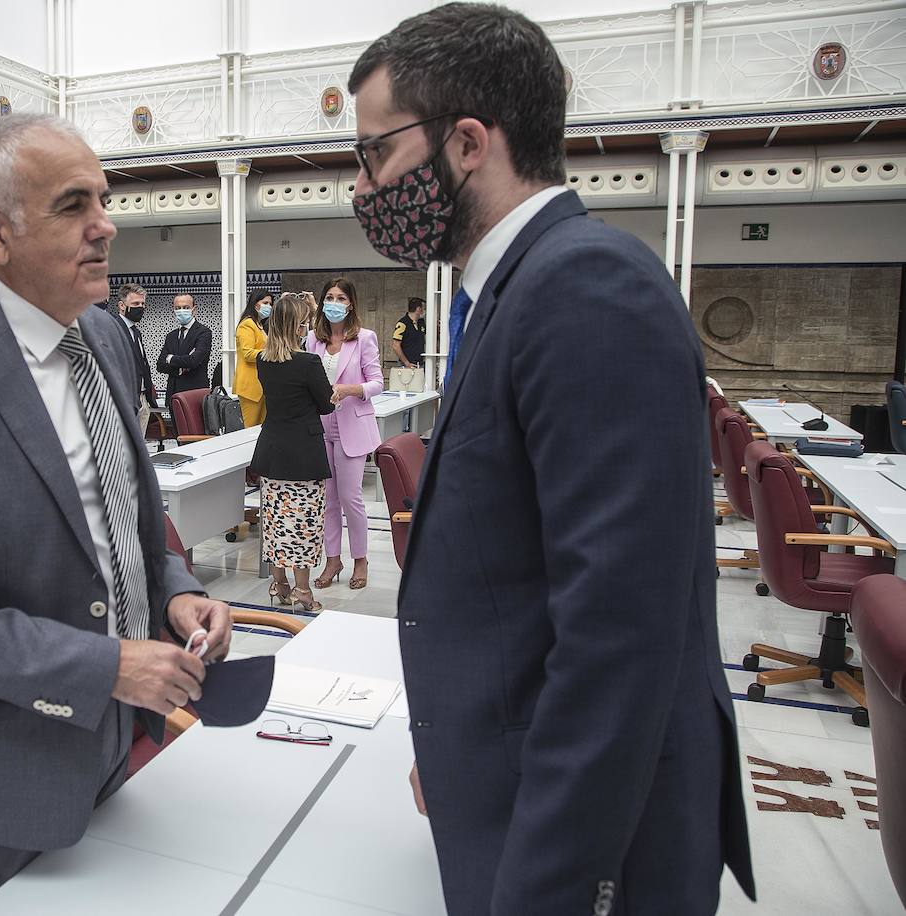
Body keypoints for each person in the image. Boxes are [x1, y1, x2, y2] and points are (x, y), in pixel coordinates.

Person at [348, 5, 754, 914]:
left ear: (465, 143)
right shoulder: (517, 286)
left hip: (592, 849)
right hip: (519, 780)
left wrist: (545, 884)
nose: (364, 182)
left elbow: (617, 639)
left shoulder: (584, 287)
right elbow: (518, 568)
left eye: (375, 152)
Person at [0, 112, 232, 915]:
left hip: (125, 735)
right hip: (6, 761)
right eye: (73, 205)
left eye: (103, 196)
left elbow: (119, 522)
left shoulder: (102, 335)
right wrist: (105, 667)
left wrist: (172, 590)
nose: (108, 223)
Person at [251, 293, 333, 612]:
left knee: (274, 524)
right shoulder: (308, 362)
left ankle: (280, 586)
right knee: (303, 525)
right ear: (299, 327)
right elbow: (325, 405)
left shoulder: (262, 359)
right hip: (304, 454)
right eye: (305, 323)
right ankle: (303, 591)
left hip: (273, 450)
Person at [304, 277, 383, 591]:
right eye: (329, 298)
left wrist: (352, 389)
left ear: (350, 304)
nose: (334, 303)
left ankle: (360, 559)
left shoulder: (364, 338)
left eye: (340, 298)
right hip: (320, 428)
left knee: (351, 499)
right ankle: (332, 559)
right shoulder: (313, 340)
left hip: (352, 425)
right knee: (329, 501)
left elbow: (377, 382)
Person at [155, 294, 211, 412]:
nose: (181, 311)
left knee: (195, 430)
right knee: (176, 430)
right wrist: (181, 368)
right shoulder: (171, 336)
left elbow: (194, 360)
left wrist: (170, 358)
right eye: (177, 308)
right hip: (173, 394)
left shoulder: (204, 333)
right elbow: (160, 365)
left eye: (185, 307)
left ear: (194, 309)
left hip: (195, 394)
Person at [114, 282, 158, 433]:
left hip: (142, 399)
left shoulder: (136, 332)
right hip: (125, 399)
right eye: (135, 303)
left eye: (143, 303)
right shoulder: (113, 329)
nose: (141, 307)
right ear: (122, 305)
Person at [234, 289, 272, 428]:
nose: (269, 306)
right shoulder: (247, 324)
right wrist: (271, 354)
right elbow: (248, 353)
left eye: (270, 303)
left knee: (260, 428)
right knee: (250, 429)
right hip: (250, 388)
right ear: (255, 304)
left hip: (261, 386)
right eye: (265, 303)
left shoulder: (259, 325)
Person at [392, 297, 427, 370]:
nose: (424, 311)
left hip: (420, 364)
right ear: (418, 309)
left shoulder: (421, 323)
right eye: (424, 309)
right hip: (406, 366)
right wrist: (406, 363)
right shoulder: (402, 323)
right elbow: (396, 345)